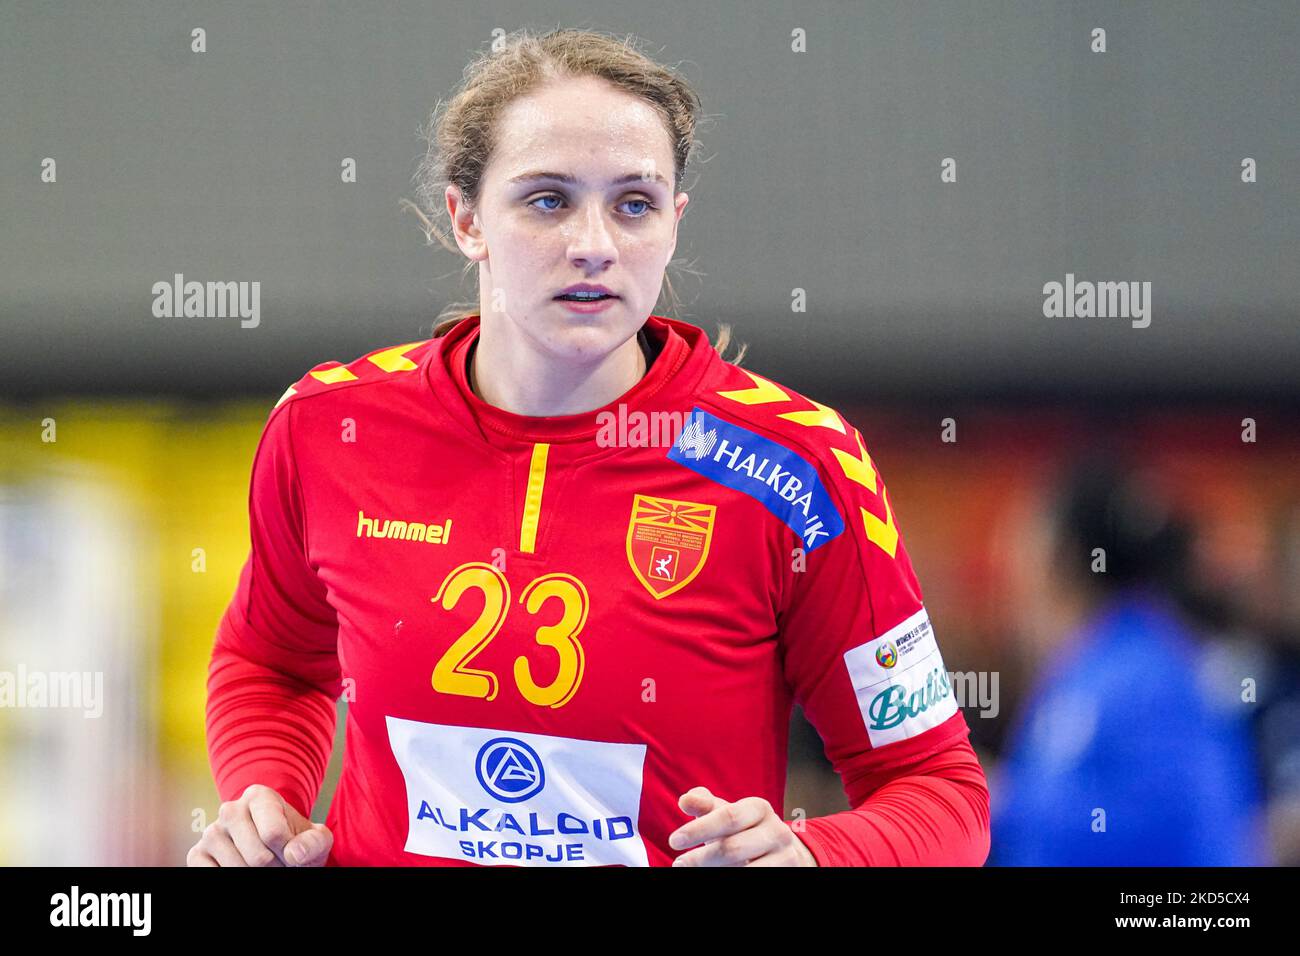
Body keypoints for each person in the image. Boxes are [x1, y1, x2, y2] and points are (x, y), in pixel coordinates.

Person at [190, 27, 988, 868]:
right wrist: (263, 800)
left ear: (674, 224)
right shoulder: (330, 431)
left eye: (634, 204)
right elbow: (269, 660)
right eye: (548, 199)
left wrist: (818, 855)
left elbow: (940, 790)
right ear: (467, 218)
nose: (595, 244)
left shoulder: (794, 468)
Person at [990, 455, 1268, 865]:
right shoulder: (1091, 666)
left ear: (1061, 556)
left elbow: (1175, 819)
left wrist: (997, 804)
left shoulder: (1146, 673)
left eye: (1027, 533)